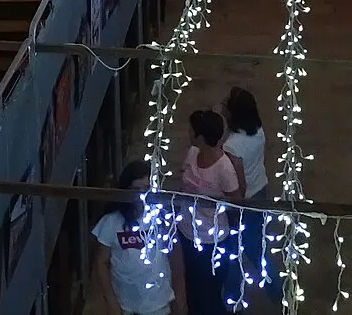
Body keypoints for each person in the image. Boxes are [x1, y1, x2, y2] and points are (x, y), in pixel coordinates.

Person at [92, 160, 186, 315]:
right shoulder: (111, 222)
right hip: (125, 306)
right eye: (136, 189)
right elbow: (101, 262)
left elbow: (175, 258)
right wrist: (111, 301)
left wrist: (180, 298)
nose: (142, 196)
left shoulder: (163, 219)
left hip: (159, 305)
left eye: (146, 189)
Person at [177, 109, 245, 315]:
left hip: (212, 241)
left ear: (201, 136)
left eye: (192, 130)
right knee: (190, 288)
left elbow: (237, 202)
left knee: (209, 294)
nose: (188, 133)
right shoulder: (192, 153)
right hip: (186, 232)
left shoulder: (224, 168)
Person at [221, 87, 281, 303]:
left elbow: (239, 184)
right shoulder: (257, 130)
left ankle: (237, 296)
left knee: (241, 249)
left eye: (225, 104)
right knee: (255, 245)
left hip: (245, 201)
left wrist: (234, 210)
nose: (222, 106)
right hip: (262, 190)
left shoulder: (232, 146)